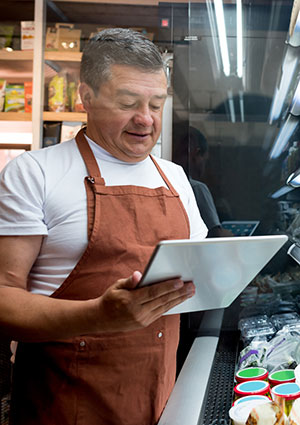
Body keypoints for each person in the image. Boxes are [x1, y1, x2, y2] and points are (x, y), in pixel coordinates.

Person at [0, 29, 207, 425]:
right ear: (86, 97)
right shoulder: (35, 173)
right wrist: (99, 315)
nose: (145, 119)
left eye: (156, 103)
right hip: (66, 406)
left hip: (162, 399)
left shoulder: (175, 178)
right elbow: (4, 299)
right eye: (128, 103)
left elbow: (198, 276)